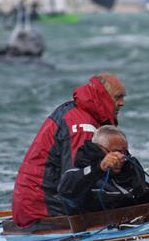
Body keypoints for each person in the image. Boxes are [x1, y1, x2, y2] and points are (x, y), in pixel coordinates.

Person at [11, 73, 127, 228]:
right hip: (42, 211)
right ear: (102, 96)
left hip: (32, 205)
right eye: (118, 97)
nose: (122, 103)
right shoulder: (81, 126)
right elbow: (72, 183)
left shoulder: (78, 112)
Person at [58, 125, 149, 214]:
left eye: (124, 152)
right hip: (96, 232)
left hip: (135, 225)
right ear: (99, 149)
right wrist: (99, 168)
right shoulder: (78, 173)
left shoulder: (128, 172)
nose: (122, 157)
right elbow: (66, 189)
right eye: (116, 151)